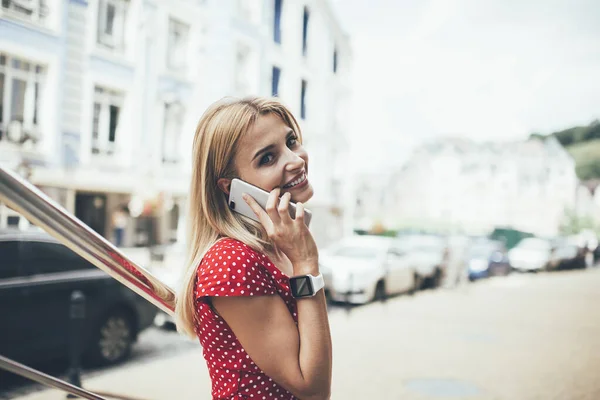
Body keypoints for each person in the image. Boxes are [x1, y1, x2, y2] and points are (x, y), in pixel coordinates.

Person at [174, 97, 332, 400]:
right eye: (268, 159)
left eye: (291, 141)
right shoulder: (231, 261)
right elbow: (313, 390)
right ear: (230, 187)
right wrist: (307, 264)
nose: (296, 160)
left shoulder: (276, 247)